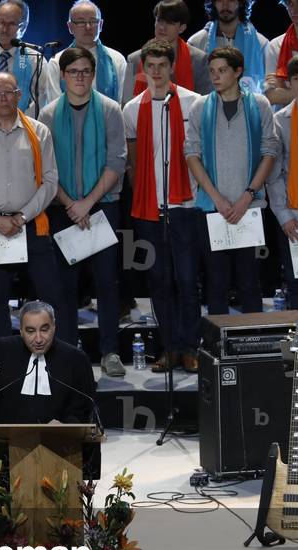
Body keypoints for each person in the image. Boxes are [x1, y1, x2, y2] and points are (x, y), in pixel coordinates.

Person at [39, 48, 128, 376]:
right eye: (73, 71)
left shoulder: (110, 109)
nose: (79, 77)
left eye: (85, 71)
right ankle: (68, 351)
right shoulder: (47, 115)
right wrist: (70, 205)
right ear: (62, 76)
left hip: (101, 207)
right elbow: (47, 170)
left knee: (106, 283)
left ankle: (110, 351)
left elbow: (116, 161)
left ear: (93, 75)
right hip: (63, 209)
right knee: (65, 287)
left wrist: (87, 203)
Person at [0, 72, 66, 342]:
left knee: (50, 296)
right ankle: (6, 365)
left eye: (9, 92)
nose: (4, 98)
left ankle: (52, 361)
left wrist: (21, 217)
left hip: (31, 226)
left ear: (20, 95)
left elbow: (50, 181)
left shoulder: (38, 131)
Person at [122, 39, 203, 372]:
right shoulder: (131, 108)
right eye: (149, 66)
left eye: (161, 66)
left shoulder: (194, 103)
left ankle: (191, 347)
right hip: (149, 209)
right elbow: (133, 161)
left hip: (185, 206)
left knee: (187, 280)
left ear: (172, 67)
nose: (155, 72)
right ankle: (169, 348)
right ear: (143, 69)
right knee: (158, 281)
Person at [0, 300, 97, 471]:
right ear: (21, 330)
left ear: (54, 326)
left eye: (45, 329)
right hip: (6, 453)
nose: (38, 339)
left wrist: (67, 424)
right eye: (30, 331)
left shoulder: (75, 359)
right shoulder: (0, 350)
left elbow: (85, 405)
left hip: (62, 453)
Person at [185, 46, 276, 316]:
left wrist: (247, 196)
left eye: (222, 70)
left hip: (249, 207)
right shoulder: (201, 106)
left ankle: (254, 345)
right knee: (216, 282)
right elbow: (191, 153)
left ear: (238, 72)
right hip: (214, 208)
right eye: (212, 71)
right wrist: (217, 199)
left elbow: (269, 151)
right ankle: (217, 349)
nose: (215, 76)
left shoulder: (259, 104)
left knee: (249, 281)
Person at [123, 0, 212, 104]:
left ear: (182, 28)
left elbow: (205, 105)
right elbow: (126, 103)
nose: (162, 27)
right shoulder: (134, 59)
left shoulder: (199, 60)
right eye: (159, 20)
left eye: (170, 22)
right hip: (144, 119)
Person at [0, 0, 49, 117]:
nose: (4, 29)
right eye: (1, 23)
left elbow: (43, 99)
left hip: (26, 126)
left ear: (23, 26)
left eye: (11, 24)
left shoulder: (36, 59)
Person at [46, 1, 126, 105]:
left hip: (108, 119)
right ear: (70, 27)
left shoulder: (117, 59)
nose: (88, 27)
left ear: (100, 25)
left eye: (93, 21)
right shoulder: (57, 61)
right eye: (81, 22)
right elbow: (54, 106)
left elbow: (122, 104)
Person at [267, 56, 298, 309]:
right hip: (293, 216)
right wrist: (284, 215)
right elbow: (274, 174)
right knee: (295, 284)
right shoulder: (280, 120)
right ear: (289, 83)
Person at [188, 0, 268, 94]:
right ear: (213, 3)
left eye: (231, 0)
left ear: (241, 2)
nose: (225, 5)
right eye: (220, 0)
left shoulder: (261, 44)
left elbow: (266, 89)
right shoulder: (196, 43)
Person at [264, 0, 298, 107]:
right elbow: (271, 96)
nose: (294, 10)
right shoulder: (275, 45)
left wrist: (285, 90)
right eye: (290, 4)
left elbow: (277, 95)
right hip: (285, 121)